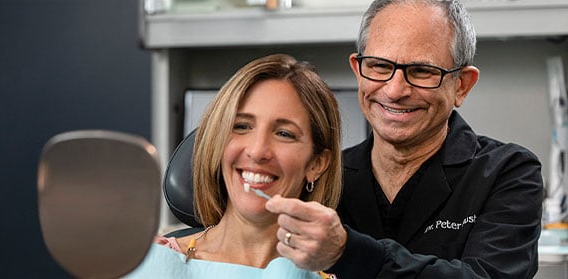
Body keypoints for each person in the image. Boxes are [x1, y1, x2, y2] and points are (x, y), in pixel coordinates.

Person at [265, 0, 544, 278]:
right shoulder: (328, 175)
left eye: (422, 71)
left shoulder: (508, 173)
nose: (395, 90)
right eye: (379, 66)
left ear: (462, 85)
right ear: (358, 70)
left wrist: (347, 252)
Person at [125, 53, 343, 278]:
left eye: (284, 133)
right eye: (241, 126)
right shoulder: (145, 263)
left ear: (316, 164)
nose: (257, 151)